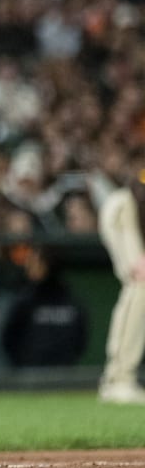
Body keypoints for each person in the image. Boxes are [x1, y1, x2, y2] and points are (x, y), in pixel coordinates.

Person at [96, 162, 145, 404]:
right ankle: (118, 379)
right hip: (124, 208)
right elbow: (139, 184)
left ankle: (119, 377)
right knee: (140, 282)